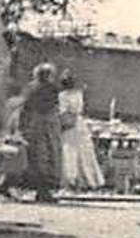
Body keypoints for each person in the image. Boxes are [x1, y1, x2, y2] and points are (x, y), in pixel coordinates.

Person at [19, 63, 64, 203]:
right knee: (47, 157)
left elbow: (24, 105)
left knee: (34, 157)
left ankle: (36, 188)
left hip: (31, 124)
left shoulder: (29, 87)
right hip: (46, 125)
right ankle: (44, 190)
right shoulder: (51, 89)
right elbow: (53, 106)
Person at [58, 69, 105, 190]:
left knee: (70, 152)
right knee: (85, 151)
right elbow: (82, 109)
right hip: (80, 123)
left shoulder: (62, 96)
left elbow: (63, 112)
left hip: (69, 123)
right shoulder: (79, 94)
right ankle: (89, 179)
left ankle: (71, 179)